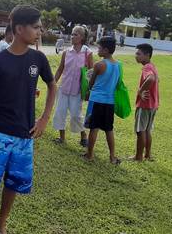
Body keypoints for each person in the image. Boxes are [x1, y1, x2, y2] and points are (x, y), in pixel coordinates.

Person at [0, 5, 56, 234]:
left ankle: (1, 223)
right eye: (36, 27)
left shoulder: (38, 58)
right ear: (19, 28)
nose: (40, 31)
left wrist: (44, 118)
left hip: (25, 135)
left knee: (14, 181)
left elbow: (52, 86)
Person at [52, 26, 93, 146]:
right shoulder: (66, 52)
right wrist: (53, 83)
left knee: (76, 114)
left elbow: (91, 72)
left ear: (82, 37)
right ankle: (62, 138)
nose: (72, 36)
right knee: (60, 112)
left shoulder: (87, 53)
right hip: (64, 87)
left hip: (78, 90)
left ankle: (83, 136)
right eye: (72, 34)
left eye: (75, 34)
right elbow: (60, 69)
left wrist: (89, 89)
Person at [83, 36, 121, 164]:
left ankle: (89, 154)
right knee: (109, 129)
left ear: (105, 50)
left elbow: (91, 83)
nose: (97, 50)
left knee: (94, 128)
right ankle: (112, 156)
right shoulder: (118, 65)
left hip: (97, 100)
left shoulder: (99, 64)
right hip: (110, 102)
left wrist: (88, 87)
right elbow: (117, 84)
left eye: (99, 47)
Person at [131, 43, 159, 162]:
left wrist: (140, 90)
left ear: (147, 55)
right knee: (147, 130)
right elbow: (157, 79)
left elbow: (151, 79)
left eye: (138, 54)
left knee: (140, 130)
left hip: (145, 104)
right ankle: (147, 155)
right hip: (153, 104)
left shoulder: (147, 67)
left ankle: (138, 157)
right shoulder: (152, 66)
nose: (136, 56)